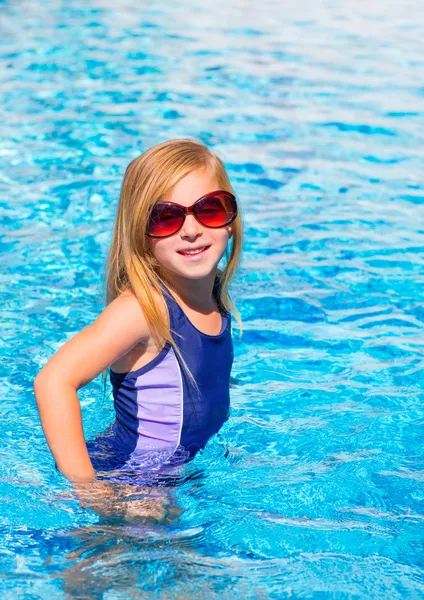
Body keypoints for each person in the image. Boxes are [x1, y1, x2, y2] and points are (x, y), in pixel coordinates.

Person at [34, 138, 243, 520]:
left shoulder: (212, 291)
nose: (191, 230)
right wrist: (89, 489)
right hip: (131, 483)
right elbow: (53, 380)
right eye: (167, 217)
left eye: (210, 210)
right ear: (140, 235)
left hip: (180, 470)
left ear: (231, 220)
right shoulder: (143, 310)